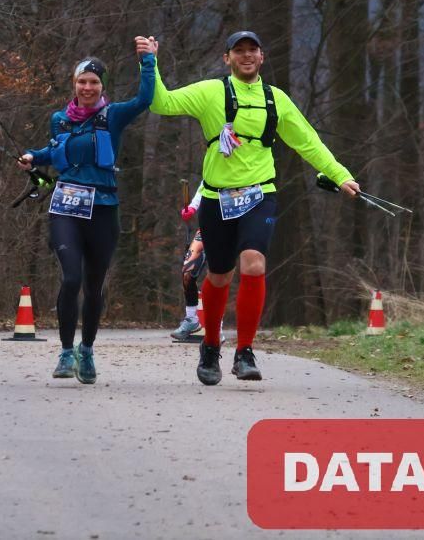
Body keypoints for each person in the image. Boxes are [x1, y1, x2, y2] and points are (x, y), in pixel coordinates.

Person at [149, 30, 360, 385]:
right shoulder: (211, 92)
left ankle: (245, 351)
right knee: (219, 275)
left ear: (262, 57)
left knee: (254, 263)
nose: (246, 56)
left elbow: (308, 142)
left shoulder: (276, 100)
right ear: (227, 58)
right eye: (239, 51)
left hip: (260, 194)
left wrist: (340, 175)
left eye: (253, 50)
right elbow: (162, 103)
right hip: (217, 198)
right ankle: (211, 346)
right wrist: (149, 63)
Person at [20, 38, 156, 384]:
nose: (87, 87)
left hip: (104, 210)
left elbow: (145, 99)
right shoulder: (59, 120)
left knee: (94, 286)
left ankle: (87, 350)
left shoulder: (114, 116)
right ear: (74, 84)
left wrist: (148, 61)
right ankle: (66, 352)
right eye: (82, 81)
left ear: (102, 86)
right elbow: (55, 151)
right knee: (71, 278)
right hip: (66, 208)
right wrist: (33, 156)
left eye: (94, 82)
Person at [170, 182, 225, 342]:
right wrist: (192, 207)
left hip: (227, 228)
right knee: (187, 273)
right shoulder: (212, 170)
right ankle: (191, 320)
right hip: (206, 229)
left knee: (218, 276)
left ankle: (217, 327)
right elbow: (203, 188)